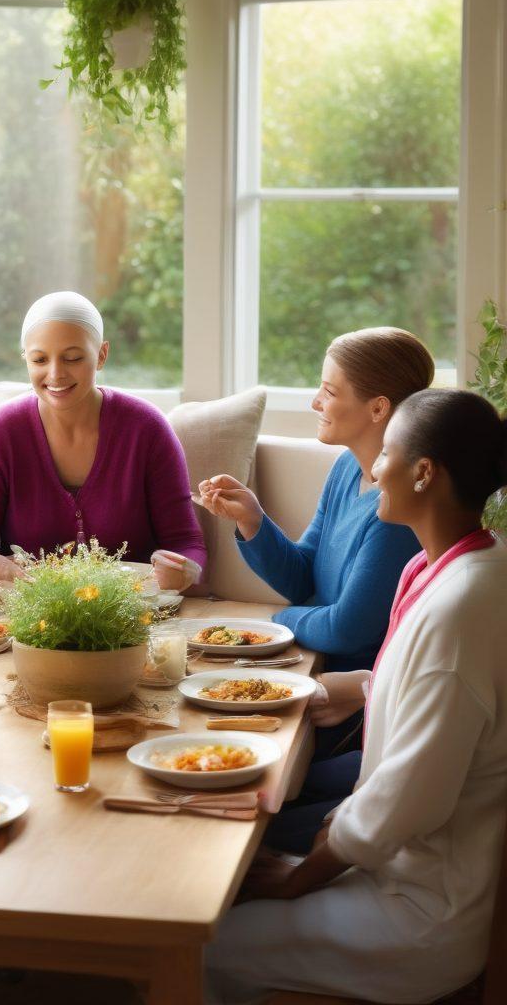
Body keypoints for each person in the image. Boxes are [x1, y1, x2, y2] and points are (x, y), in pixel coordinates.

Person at [206, 388, 507, 1004]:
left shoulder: (457, 608)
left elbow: (409, 798)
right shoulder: (458, 565)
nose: (373, 468)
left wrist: (302, 877)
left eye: (389, 453)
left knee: (202, 941)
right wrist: (370, 688)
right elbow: (448, 701)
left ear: (425, 474)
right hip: (393, 865)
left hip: (417, 908)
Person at [198, 328, 434, 679]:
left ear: (378, 408)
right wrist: (252, 519)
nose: (315, 402)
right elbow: (304, 579)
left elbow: (346, 630)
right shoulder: (346, 467)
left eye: (329, 391)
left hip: (347, 691)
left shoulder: (397, 510)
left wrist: (273, 620)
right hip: (311, 663)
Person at [0, 291, 206, 590]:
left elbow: (187, 542)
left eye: (73, 358)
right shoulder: (0, 432)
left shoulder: (146, 428)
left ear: (102, 355)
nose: (55, 374)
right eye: (39, 359)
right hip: (34, 617)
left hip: (132, 614)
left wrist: (179, 572)